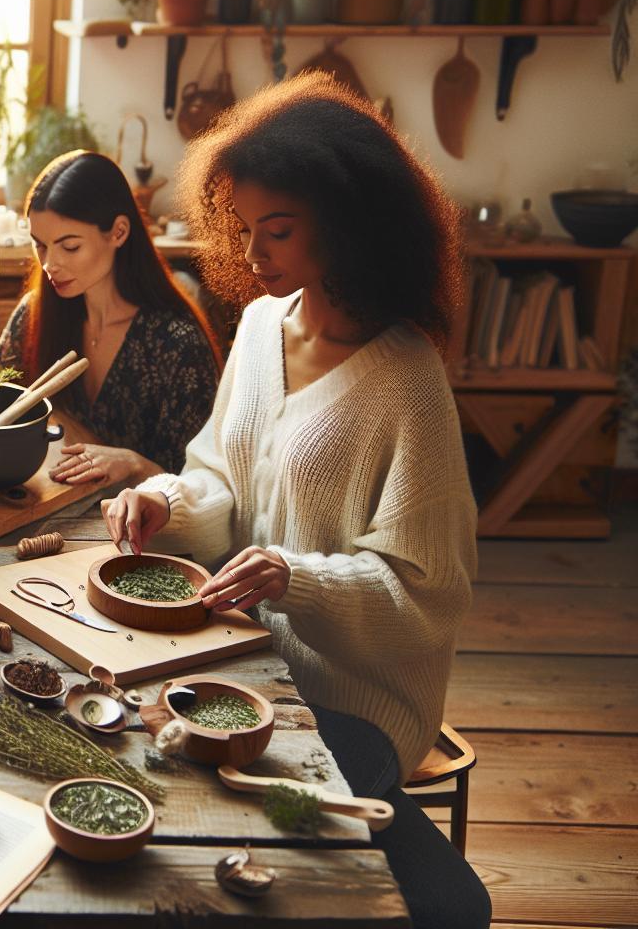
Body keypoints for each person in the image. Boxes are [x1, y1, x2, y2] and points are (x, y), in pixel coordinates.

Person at [102, 74, 491, 928]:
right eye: (242, 230)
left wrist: (293, 578)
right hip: (242, 658)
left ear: (349, 224)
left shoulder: (408, 380)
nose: (250, 258)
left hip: (353, 698)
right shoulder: (258, 329)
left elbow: (427, 594)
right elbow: (222, 481)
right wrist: (164, 501)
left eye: (275, 231)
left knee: (233, 844)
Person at [0, 150, 220, 482]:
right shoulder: (35, 314)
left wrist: (130, 463)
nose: (50, 264)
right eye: (40, 245)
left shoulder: (178, 345)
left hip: (130, 533)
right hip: (43, 510)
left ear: (118, 232)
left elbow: (198, 487)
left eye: (70, 246)